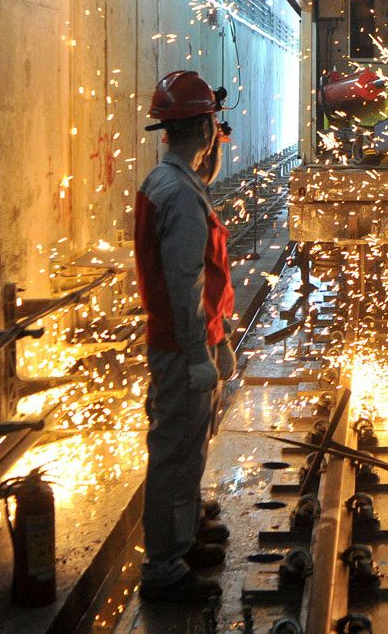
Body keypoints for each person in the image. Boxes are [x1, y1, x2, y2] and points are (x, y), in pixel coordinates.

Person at [133, 70, 238, 603]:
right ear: (202, 126)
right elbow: (183, 281)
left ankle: (184, 530)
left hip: (188, 342)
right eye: (213, 126)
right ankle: (163, 569)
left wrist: (217, 340)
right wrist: (199, 352)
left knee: (189, 449)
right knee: (174, 453)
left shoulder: (173, 182)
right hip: (178, 348)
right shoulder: (178, 193)